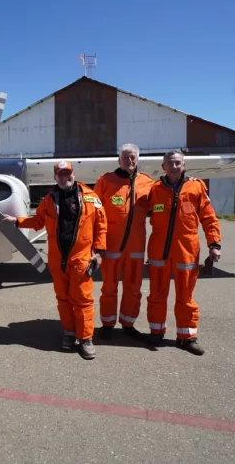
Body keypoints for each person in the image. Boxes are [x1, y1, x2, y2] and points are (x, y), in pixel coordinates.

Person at [2, 160, 107, 359]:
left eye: (67, 173)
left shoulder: (91, 198)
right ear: (55, 177)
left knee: (83, 300)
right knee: (63, 298)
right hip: (58, 260)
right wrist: (17, 221)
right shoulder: (49, 200)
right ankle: (69, 333)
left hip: (82, 258)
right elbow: (38, 220)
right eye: (60, 174)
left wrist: (99, 252)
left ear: (73, 174)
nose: (64, 178)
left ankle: (86, 339)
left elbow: (101, 226)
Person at [145, 150, 222, 355]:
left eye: (178, 163)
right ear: (163, 167)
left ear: (184, 165)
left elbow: (209, 218)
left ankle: (187, 337)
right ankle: (156, 332)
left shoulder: (196, 187)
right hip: (158, 250)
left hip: (186, 251)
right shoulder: (154, 189)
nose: (174, 166)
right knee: (156, 295)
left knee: (186, 297)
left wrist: (214, 244)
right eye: (170, 163)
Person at [93, 143, 154, 340]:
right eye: (126, 157)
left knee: (133, 288)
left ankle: (128, 323)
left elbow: (159, 208)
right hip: (111, 246)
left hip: (136, 247)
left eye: (133, 157)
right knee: (109, 287)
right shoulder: (105, 181)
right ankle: (108, 324)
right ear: (119, 160)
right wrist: (95, 244)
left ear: (138, 159)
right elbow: (94, 212)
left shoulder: (148, 183)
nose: (130, 161)